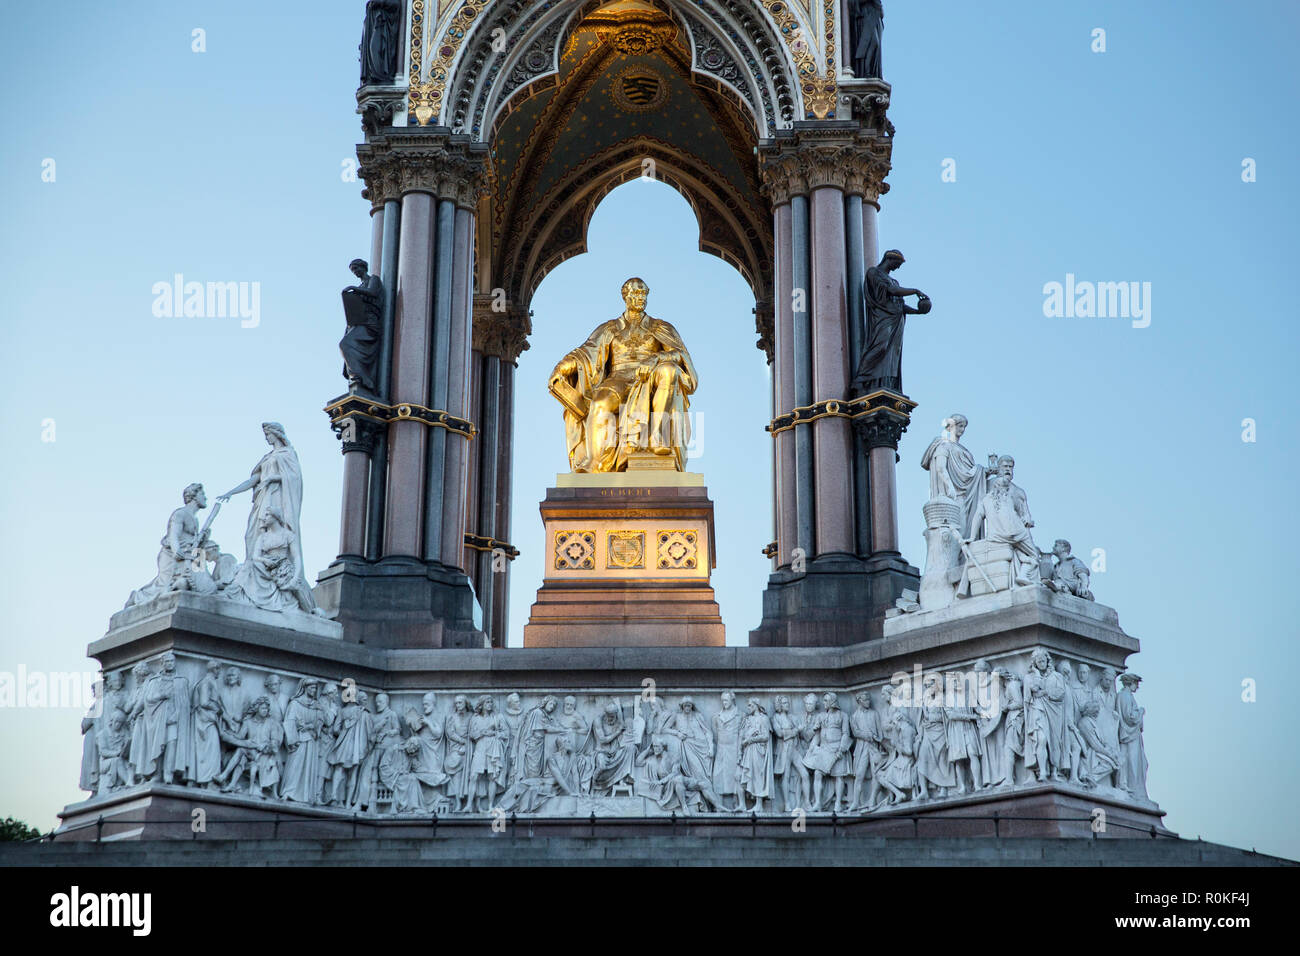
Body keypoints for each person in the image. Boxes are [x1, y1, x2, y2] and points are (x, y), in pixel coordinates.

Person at [549, 277, 698, 473]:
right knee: (601, 403)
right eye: (636, 293)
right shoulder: (609, 328)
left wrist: (657, 358)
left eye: (644, 293)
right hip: (617, 379)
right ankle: (596, 463)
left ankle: (658, 438)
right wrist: (564, 366)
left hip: (649, 378)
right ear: (625, 297)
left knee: (669, 370)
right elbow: (585, 353)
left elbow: (680, 355)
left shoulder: (660, 327)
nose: (641, 297)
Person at [217, 422, 324, 615]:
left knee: (273, 532)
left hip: (278, 499)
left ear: (276, 434)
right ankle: (253, 582)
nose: (267, 438)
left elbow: (295, 479)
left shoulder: (287, 454)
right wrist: (231, 492)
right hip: (262, 498)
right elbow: (253, 480)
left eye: (268, 434)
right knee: (252, 534)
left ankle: (275, 585)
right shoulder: (267, 457)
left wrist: (275, 478)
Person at [853, 250, 930, 394]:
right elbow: (892, 291)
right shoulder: (874, 273)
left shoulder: (894, 280)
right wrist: (915, 291)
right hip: (881, 318)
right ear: (889, 259)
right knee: (879, 347)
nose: (898, 268)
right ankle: (861, 379)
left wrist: (918, 311)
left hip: (896, 321)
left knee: (892, 354)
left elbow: (900, 305)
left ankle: (884, 382)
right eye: (897, 264)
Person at [125, 483, 208, 607]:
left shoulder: (195, 519)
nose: (205, 498)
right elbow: (173, 535)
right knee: (164, 586)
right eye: (202, 494)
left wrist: (204, 539)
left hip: (188, 555)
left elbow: (194, 542)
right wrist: (176, 549)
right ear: (194, 496)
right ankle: (137, 597)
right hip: (171, 555)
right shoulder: (180, 513)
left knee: (192, 584)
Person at [736, 698, 774, 812]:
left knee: (758, 777)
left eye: (750, 705)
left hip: (759, 751)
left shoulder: (764, 719)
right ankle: (742, 804)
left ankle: (759, 805)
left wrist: (751, 739)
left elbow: (766, 736)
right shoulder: (747, 719)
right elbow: (742, 735)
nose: (748, 708)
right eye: (748, 705)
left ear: (756, 705)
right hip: (748, 751)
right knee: (742, 776)